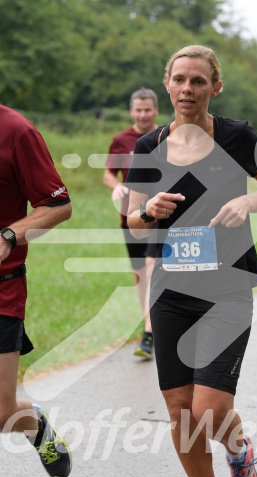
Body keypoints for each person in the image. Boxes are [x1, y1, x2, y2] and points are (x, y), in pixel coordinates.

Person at [127, 45, 257, 477]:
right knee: (179, 408)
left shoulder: (237, 136)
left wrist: (247, 199)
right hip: (171, 291)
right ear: (167, 82)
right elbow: (134, 225)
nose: (186, 90)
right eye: (179, 79)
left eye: (198, 81)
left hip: (228, 289)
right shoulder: (148, 148)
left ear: (214, 87)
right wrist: (149, 208)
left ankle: (240, 454)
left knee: (209, 410)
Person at [0, 104, 72, 477]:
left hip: (2, 289)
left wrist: (10, 235)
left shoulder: (16, 131)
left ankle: (34, 423)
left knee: (1, 412)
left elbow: (58, 204)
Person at [104, 88, 159, 359]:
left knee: (154, 265)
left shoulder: (166, 136)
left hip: (161, 215)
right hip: (131, 217)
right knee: (141, 274)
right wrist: (116, 187)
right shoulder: (121, 140)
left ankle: (150, 333)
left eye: (147, 109)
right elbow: (108, 174)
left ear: (156, 111)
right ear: (131, 112)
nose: (143, 114)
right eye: (138, 110)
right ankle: (150, 325)